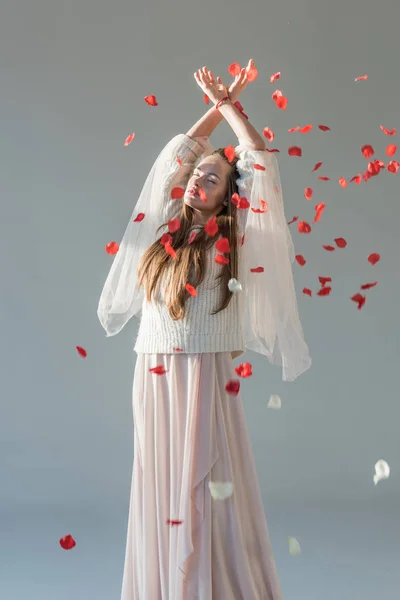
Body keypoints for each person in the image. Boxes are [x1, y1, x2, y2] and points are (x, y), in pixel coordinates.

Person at [98, 60, 311, 599]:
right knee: (162, 487)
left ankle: (207, 587)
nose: (197, 179)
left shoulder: (237, 242)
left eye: (211, 179)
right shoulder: (164, 227)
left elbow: (258, 163)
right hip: (154, 372)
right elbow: (173, 160)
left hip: (202, 375)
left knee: (203, 490)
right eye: (197, 175)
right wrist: (212, 110)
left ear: (228, 198)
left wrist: (232, 108)